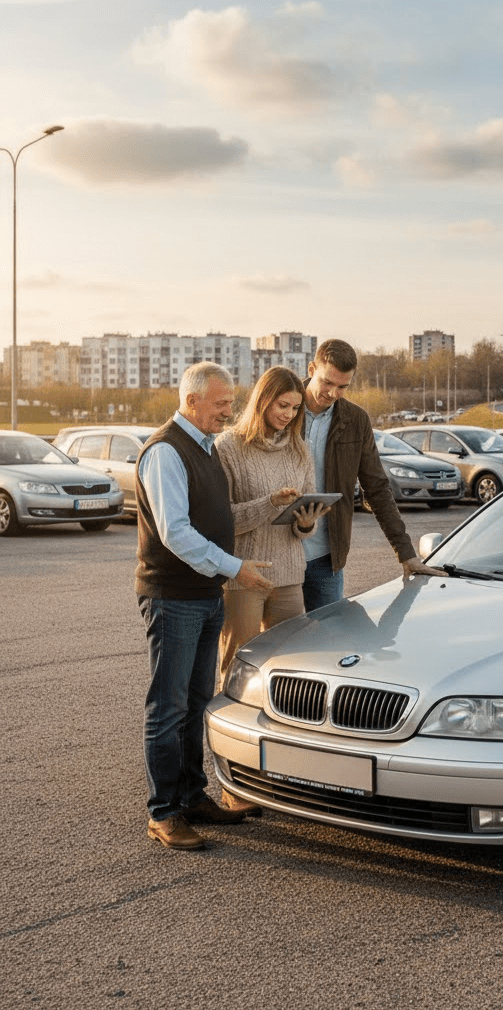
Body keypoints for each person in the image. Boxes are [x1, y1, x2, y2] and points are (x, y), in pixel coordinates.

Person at [136, 361, 274, 851]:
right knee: (168, 707)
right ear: (191, 401)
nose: (228, 411)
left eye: (230, 402)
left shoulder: (206, 448)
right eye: (220, 403)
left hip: (205, 596)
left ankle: (192, 796)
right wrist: (235, 568)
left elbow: (216, 520)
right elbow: (175, 533)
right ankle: (164, 812)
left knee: (197, 703)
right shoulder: (165, 452)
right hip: (173, 600)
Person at [215, 365, 328, 710]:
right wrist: (270, 504)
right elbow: (223, 522)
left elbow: (305, 522)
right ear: (262, 401)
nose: (289, 415)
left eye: (295, 408)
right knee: (239, 669)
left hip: (290, 574)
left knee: (292, 669)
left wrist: (307, 523)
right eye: (282, 406)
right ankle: (232, 737)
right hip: (244, 574)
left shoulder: (299, 448)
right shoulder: (228, 446)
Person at [301, 339, 445, 609]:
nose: (333, 393)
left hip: (326, 559)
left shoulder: (356, 420)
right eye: (327, 383)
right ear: (311, 369)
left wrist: (406, 553)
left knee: (329, 645)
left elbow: (377, 489)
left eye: (342, 386)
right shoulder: (281, 406)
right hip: (278, 554)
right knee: (273, 647)